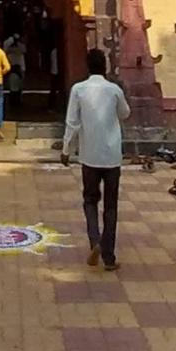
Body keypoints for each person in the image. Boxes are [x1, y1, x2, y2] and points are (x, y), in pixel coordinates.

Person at [62, 47, 130, 271]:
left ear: (87, 67)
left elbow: (72, 121)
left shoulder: (78, 90)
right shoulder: (114, 90)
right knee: (111, 206)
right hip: (111, 156)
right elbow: (125, 113)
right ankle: (109, 256)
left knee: (90, 200)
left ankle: (95, 241)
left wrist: (66, 149)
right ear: (105, 66)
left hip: (89, 155)